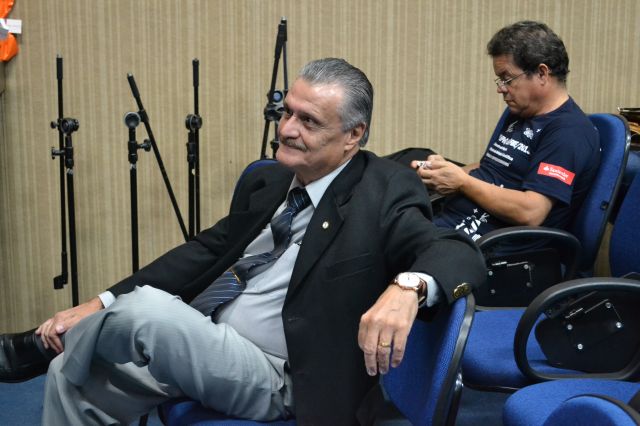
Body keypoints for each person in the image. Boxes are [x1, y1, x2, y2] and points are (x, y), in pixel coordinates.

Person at [0, 58, 485, 425]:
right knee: (73, 379)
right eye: (287, 112)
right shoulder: (271, 181)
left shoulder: (383, 189)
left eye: (309, 121)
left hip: (281, 377)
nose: (287, 130)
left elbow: (458, 254)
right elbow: (205, 251)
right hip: (204, 342)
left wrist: (407, 287)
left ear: (352, 135)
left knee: (147, 311)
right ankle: (65, 350)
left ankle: (40, 347)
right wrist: (99, 301)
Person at [412, 21, 601, 246]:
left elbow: (531, 212)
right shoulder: (520, 111)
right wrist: (442, 173)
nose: (501, 88)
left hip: (492, 249)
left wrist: (462, 182)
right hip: (452, 225)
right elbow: (491, 167)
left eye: (507, 79)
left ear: (542, 73)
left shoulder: (569, 132)